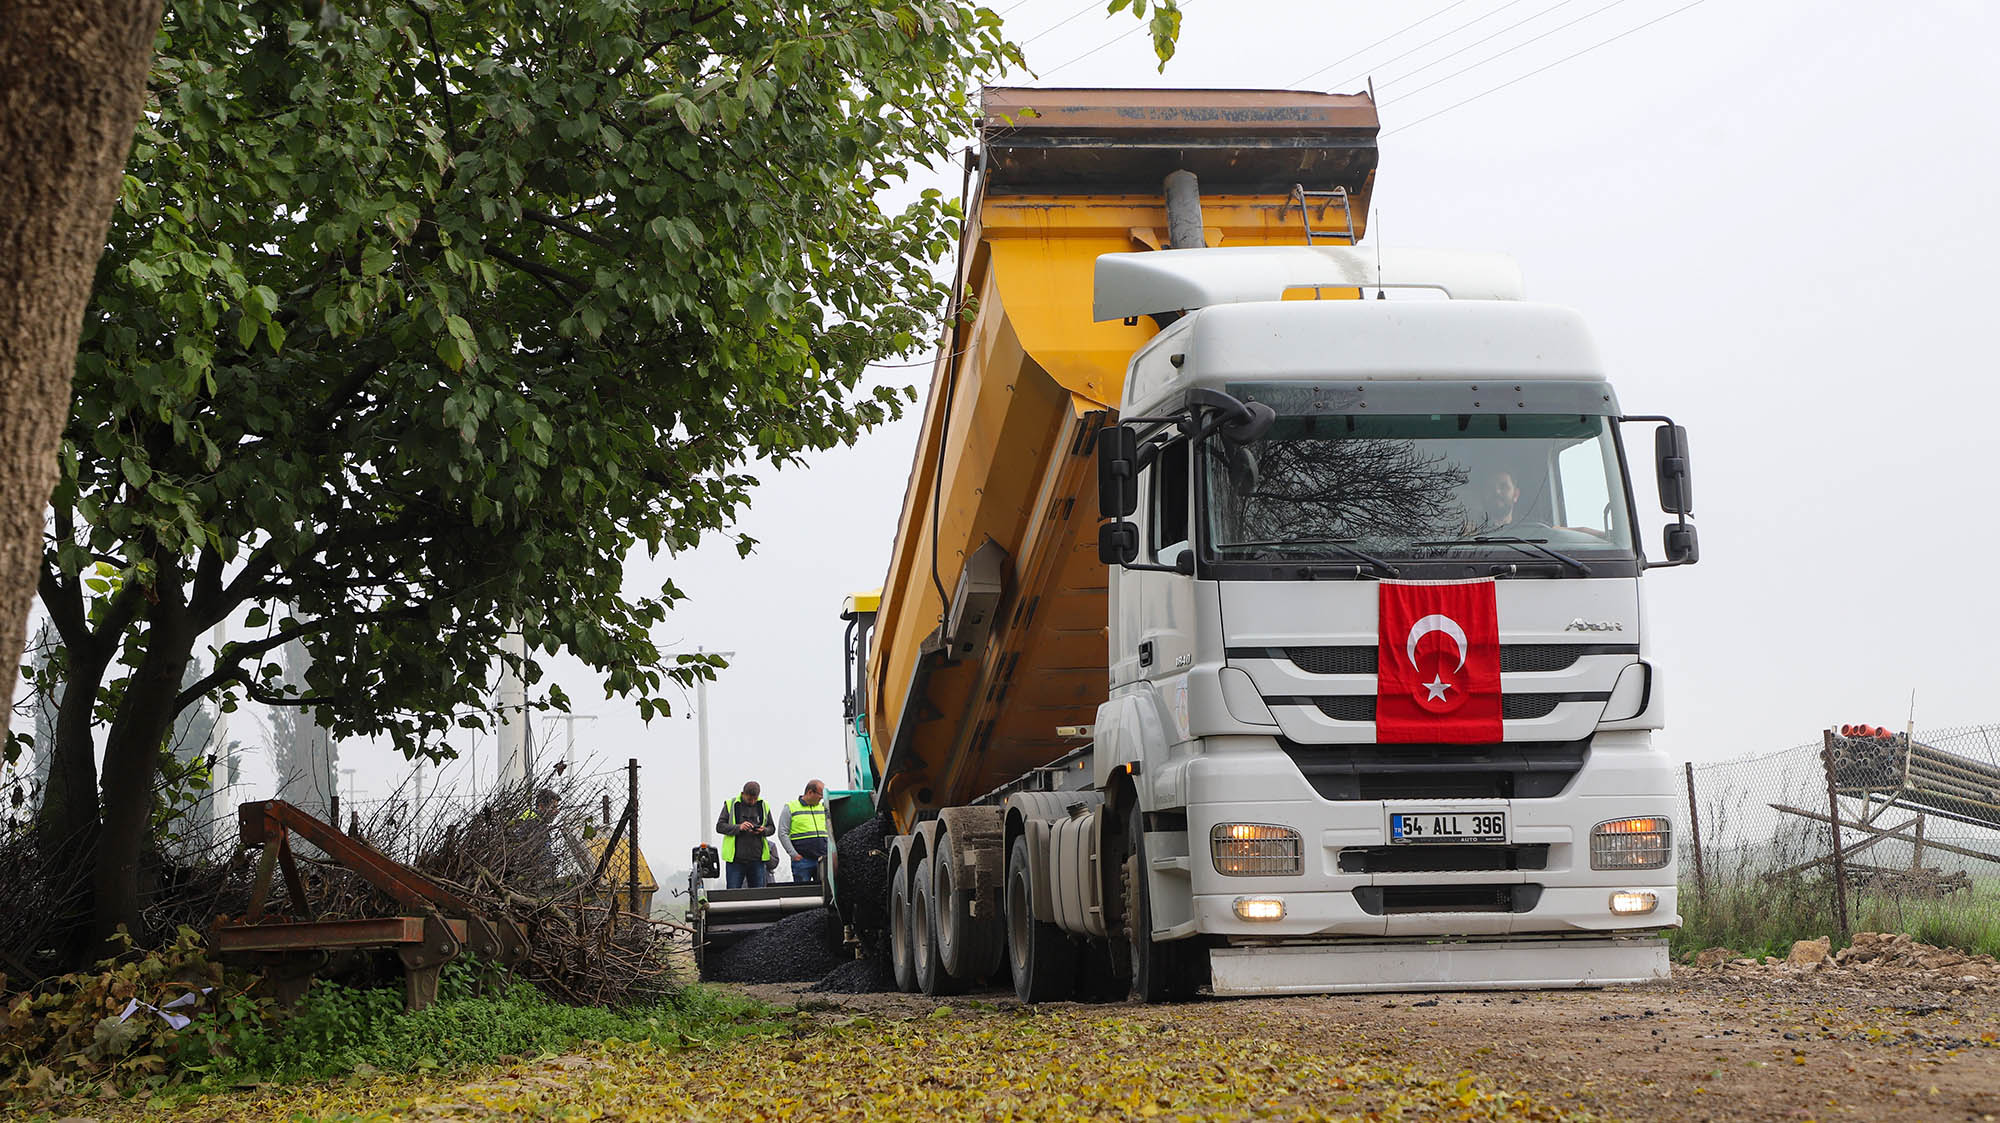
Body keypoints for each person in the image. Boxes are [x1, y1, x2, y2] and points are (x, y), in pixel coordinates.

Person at [715, 781, 775, 889]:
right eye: (749, 799)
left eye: (755, 799)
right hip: (736, 861)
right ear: (743, 794)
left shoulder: (764, 806)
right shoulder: (730, 804)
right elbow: (719, 826)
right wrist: (739, 827)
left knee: (758, 897)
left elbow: (772, 828)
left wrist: (763, 830)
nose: (752, 802)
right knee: (733, 895)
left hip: (757, 860)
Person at [776, 780, 831, 884]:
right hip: (802, 861)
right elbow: (782, 833)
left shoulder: (823, 808)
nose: (822, 798)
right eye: (820, 794)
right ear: (810, 792)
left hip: (822, 859)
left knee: (825, 893)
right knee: (802, 894)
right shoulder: (790, 807)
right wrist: (794, 855)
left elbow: (830, 830)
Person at [510, 788, 563, 889]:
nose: (557, 812)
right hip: (534, 881)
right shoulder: (533, 823)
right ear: (541, 806)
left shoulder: (534, 820)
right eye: (553, 807)